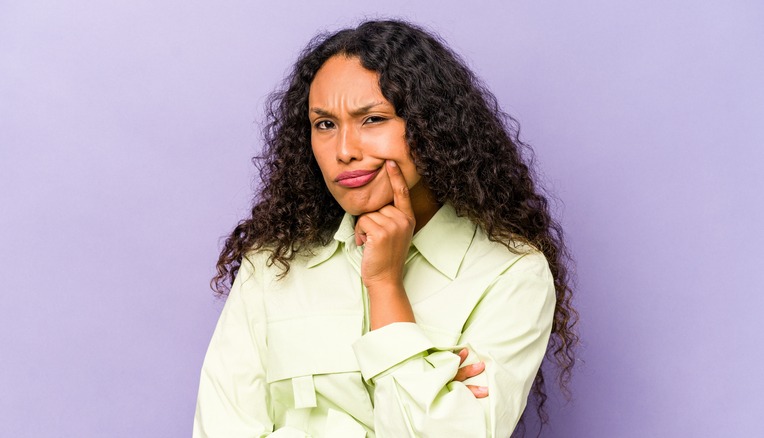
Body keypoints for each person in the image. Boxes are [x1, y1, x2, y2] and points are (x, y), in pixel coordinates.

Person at [194, 19, 577, 438]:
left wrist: (385, 287)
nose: (344, 151)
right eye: (324, 124)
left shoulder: (509, 273)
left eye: (373, 119)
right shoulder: (273, 265)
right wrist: (433, 386)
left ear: (433, 126)